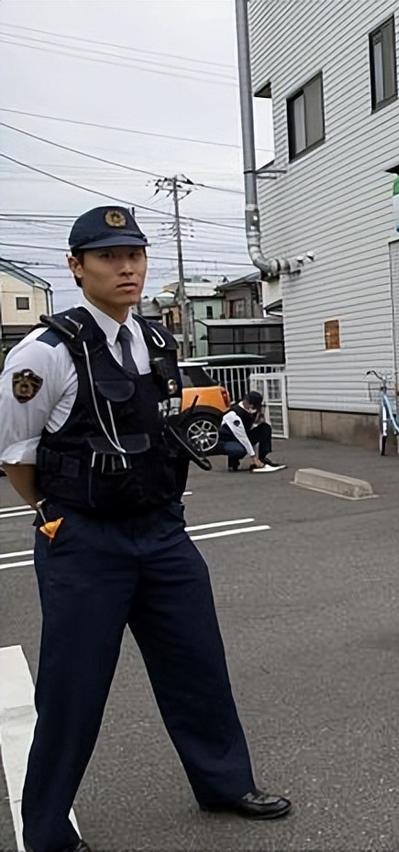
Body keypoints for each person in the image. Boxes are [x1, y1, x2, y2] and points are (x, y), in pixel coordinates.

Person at [0, 206, 291, 852]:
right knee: (72, 691)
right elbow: (15, 457)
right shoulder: (42, 355)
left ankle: (223, 782)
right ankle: (46, 831)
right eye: (108, 256)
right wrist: (51, 515)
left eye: (134, 253)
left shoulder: (153, 341)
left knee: (198, 665)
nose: (126, 267)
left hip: (161, 534)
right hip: (85, 542)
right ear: (76, 267)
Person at [220, 390, 284, 472]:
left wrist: (257, 422)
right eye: (253, 406)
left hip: (243, 434)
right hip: (230, 439)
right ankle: (233, 462)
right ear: (247, 402)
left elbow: (248, 429)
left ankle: (262, 458)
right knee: (240, 447)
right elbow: (242, 436)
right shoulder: (233, 414)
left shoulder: (251, 410)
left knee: (265, 428)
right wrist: (253, 457)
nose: (253, 409)